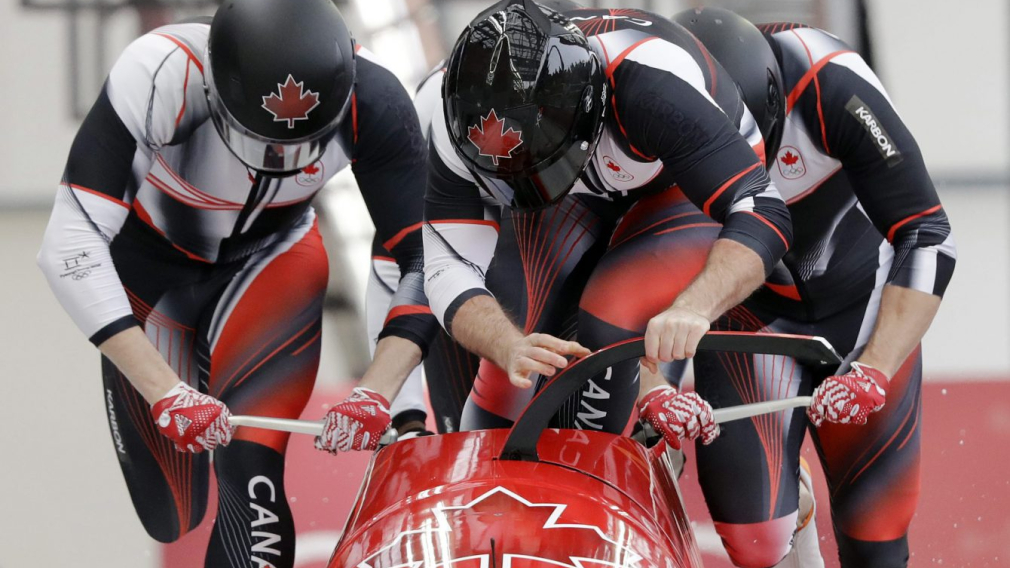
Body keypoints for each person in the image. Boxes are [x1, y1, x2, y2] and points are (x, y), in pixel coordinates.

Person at [36, 0, 436, 565]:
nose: (278, 159)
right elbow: (69, 244)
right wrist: (163, 390)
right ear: (214, 94)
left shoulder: (375, 99)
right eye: (259, 140)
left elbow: (429, 260)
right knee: (174, 512)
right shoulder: (160, 73)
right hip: (152, 274)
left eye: (302, 146)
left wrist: (378, 389)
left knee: (254, 472)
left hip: (273, 259)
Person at [664, 8, 956, 568]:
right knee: (754, 541)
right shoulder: (656, 105)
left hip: (859, 312)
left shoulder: (833, 84)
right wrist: (660, 381)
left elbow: (929, 234)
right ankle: (789, 509)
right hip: (749, 319)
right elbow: (647, 261)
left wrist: (877, 364)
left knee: (876, 535)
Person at [423, 0, 793, 441]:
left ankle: (611, 462)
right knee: (518, 342)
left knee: (612, 312)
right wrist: (507, 346)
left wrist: (695, 307)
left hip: (679, 187)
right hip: (571, 190)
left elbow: (764, 210)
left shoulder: (651, 87)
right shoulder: (450, 125)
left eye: (537, 163)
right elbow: (447, 267)